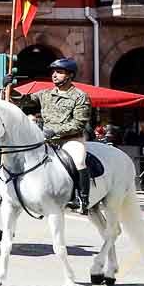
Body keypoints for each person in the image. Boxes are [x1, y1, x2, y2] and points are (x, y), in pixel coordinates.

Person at [38, 58, 92, 213]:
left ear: (69, 75)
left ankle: (82, 199)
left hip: (71, 139)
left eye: (59, 72)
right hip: (47, 139)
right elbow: (22, 100)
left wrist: (56, 131)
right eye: (54, 72)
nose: (54, 75)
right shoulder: (45, 94)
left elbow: (79, 123)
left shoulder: (80, 96)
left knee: (78, 161)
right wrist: (9, 85)